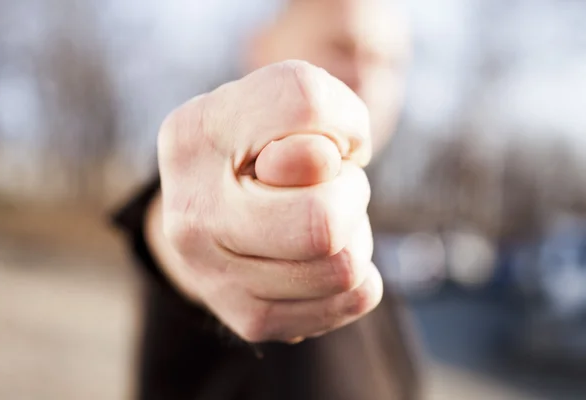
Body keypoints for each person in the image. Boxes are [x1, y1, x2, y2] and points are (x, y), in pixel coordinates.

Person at [114, 0, 419, 399]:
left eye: (388, 63)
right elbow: (182, 222)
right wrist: (185, 235)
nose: (367, 78)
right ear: (261, 48)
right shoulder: (223, 183)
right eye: (342, 47)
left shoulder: (372, 257)